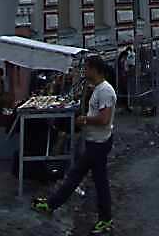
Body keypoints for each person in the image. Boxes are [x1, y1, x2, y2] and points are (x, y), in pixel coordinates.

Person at [32, 55, 117, 235]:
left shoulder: (105, 91)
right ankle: (52, 204)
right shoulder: (98, 89)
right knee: (80, 176)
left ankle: (105, 219)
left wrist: (84, 120)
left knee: (91, 180)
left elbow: (104, 119)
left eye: (87, 68)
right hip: (95, 142)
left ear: (94, 69)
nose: (85, 71)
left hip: (99, 143)